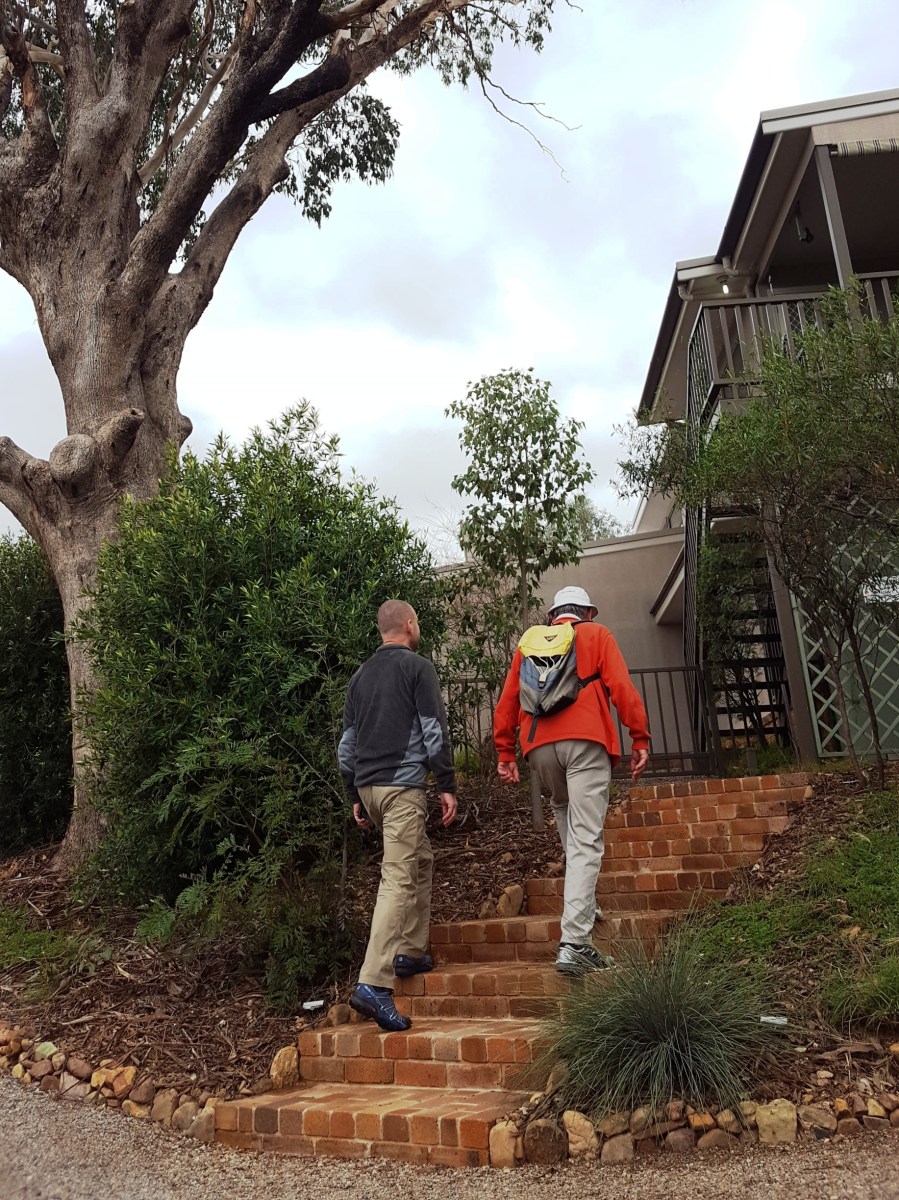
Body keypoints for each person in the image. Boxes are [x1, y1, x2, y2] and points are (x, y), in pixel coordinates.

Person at [494, 585, 650, 975]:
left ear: (553, 617)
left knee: (564, 808)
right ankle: (575, 942)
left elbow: (508, 700)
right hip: (585, 741)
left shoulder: (530, 643)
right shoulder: (596, 635)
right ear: (587, 613)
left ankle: (584, 903)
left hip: (540, 747)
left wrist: (505, 751)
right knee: (587, 837)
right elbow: (622, 689)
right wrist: (639, 737)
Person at [338, 599, 457, 1031]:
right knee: (397, 879)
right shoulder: (417, 668)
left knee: (420, 859)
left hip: (370, 789)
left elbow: (346, 746)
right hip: (401, 787)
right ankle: (374, 983)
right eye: (417, 621)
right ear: (409, 625)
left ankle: (409, 950)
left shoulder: (360, 676)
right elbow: (433, 729)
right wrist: (446, 783)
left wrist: (354, 792)